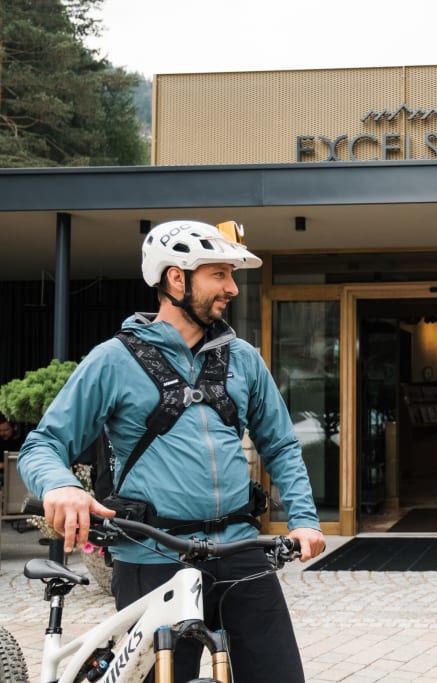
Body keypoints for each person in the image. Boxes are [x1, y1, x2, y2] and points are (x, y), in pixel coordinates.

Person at [18, 219, 326, 683]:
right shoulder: (114, 359)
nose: (232, 288)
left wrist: (303, 518)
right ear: (176, 278)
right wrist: (61, 485)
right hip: (152, 555)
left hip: (240, 548)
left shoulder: (242, 358)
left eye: (231, 275)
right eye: (219, 274)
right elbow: (43, 444)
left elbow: (281, 445)